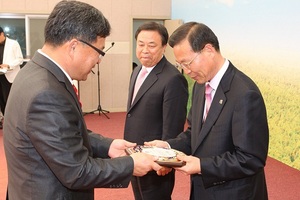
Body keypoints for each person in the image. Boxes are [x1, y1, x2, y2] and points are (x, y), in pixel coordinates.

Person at [3, 1, 165, 200]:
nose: (99, 61)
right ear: (74, 46)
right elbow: (77, 171)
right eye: (99, 51)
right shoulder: (46, 92)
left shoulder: (36, 72)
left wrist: (109, 145)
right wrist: (131, 165)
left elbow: (65, 132)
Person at [146, 22, 269, 199]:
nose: (186, 71)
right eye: (181, 65)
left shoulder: (244, 94)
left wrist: (201, 166)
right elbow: (195, 134)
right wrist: (167, 147)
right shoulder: (199, 86)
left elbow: (251, 159)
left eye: (188, 63)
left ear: (209, 50)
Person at [124, 22, 188, 200]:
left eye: (151, 45)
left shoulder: (173, 79)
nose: (145, 50)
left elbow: (173, 126)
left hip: (156, 161)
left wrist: (166, 161)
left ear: (163, 47)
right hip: (134, 154)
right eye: (141, 44)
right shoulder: (137, 71)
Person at [0, 26, 23, 129]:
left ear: (2, 34)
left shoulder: (13, 44)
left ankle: (14, 123)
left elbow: (20, 59)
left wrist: (8, 65)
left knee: (9, 100)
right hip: (0, 76)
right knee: (1, 100)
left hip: (10, 76)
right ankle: (5, 121)